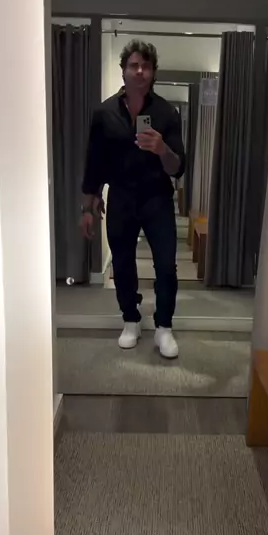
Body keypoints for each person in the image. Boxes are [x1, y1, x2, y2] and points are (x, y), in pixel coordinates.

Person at [80, 40, 185, 359]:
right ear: (124, 71)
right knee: (123, 263)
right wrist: (88, 205)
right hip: (122, 198)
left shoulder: (167, 113)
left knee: (166, 265)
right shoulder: (104, 112)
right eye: (134, 65)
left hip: (157, 199)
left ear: (153, 72)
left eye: (146, 66)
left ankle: (164, 326)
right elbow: (95, 162)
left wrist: (162, 149)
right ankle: (131, 319)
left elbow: (178, 167)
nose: (140, 71)